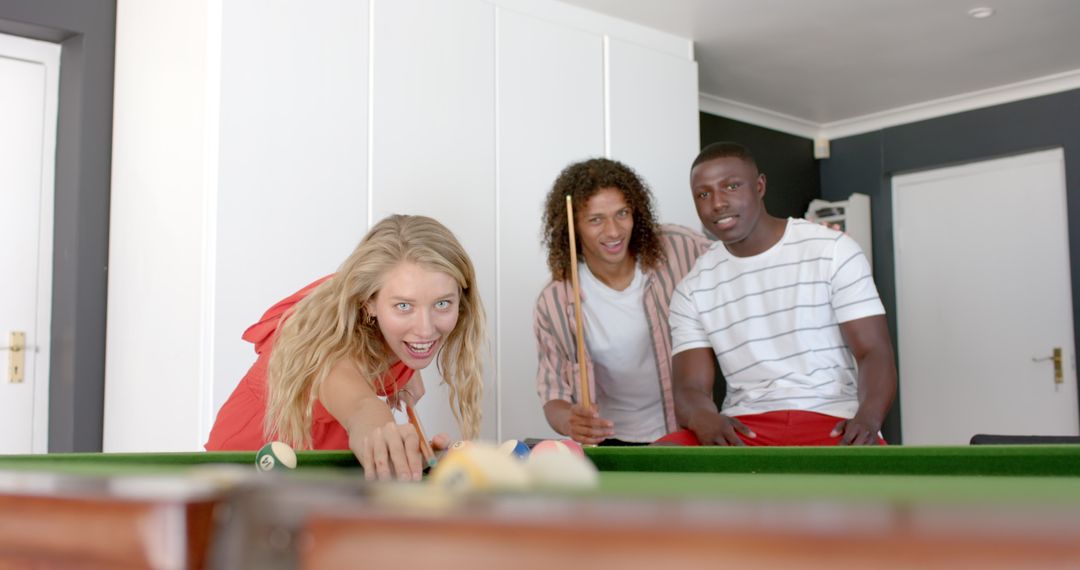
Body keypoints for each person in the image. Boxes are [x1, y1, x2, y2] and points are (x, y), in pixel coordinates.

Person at [206, 215, 486, 480]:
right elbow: (361, 407)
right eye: (404, 305)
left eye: (442, 303)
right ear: (369, 302)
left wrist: (407, 451)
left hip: (326, 469)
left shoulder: (389, 325)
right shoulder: (326, 345)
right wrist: (386, 437)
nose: (425, 329)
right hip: (249, 466)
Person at [666, 142, 897, 446]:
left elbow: (874, 352)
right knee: (659, 457)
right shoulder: (692, 289)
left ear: (759, 186)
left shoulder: (833, 249)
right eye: (703, 194)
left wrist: (867, 419)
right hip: (745, 428)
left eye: (731, 186)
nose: (718, 203)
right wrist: (702, 418)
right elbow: (690, 388)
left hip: (832, 420)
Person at [534, 158, 710, 446]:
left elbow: (734, 268)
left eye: (622, 213)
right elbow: (553, 393)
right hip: (613, 441)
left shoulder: (681, 248)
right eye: (596, 219)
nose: (614, 231)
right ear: (572, 227)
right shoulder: (554, 301)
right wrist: (570, 421)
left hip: (688, 431)